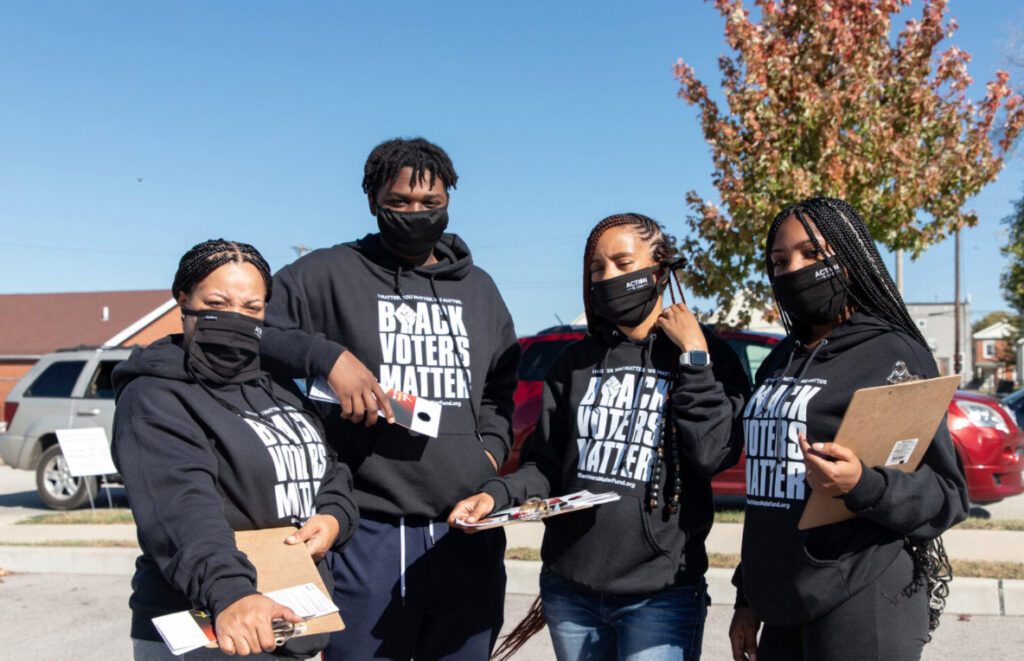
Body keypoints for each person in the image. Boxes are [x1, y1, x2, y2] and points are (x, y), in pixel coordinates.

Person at [258, 137, 519, 660]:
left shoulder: (480, 290)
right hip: (369, 530)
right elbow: (253, 326)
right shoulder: (327, 274)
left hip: (463, 533)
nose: (416, 214)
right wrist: (327, 357)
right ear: (373, 201)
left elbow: (500, 388)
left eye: (431, 204)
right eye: (399, 202)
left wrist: (488, 450)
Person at [449, 213, 750, 661]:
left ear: (661, 270)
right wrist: (496, 496)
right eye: (597, 269)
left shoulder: (708, 356)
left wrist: (694, 357)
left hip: (660, 595)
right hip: (570, 592)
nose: (608, 277)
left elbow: (711, 452)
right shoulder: (573, 363)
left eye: (624, 264)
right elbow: (544, 467)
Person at [728, 197, 969, 661]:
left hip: (862, 597)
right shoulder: (782, 358)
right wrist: (747, 596)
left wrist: (862, 484)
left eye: (812, 254)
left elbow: (946, 494)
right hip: (781, 602)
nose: (793, 269)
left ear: (851, 256)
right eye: (780, 261)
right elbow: (767, 494)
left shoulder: (894, 354)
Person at [112, 239, 358, 660]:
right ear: (183, 301)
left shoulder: (277, 385)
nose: (236, 317)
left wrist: (335, 516)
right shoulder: (154, 396)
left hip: (293, 620)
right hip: (215, 624)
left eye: (252, 307)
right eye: (218, 302)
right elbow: (181, 508)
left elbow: (327, 466)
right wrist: (231, 593)